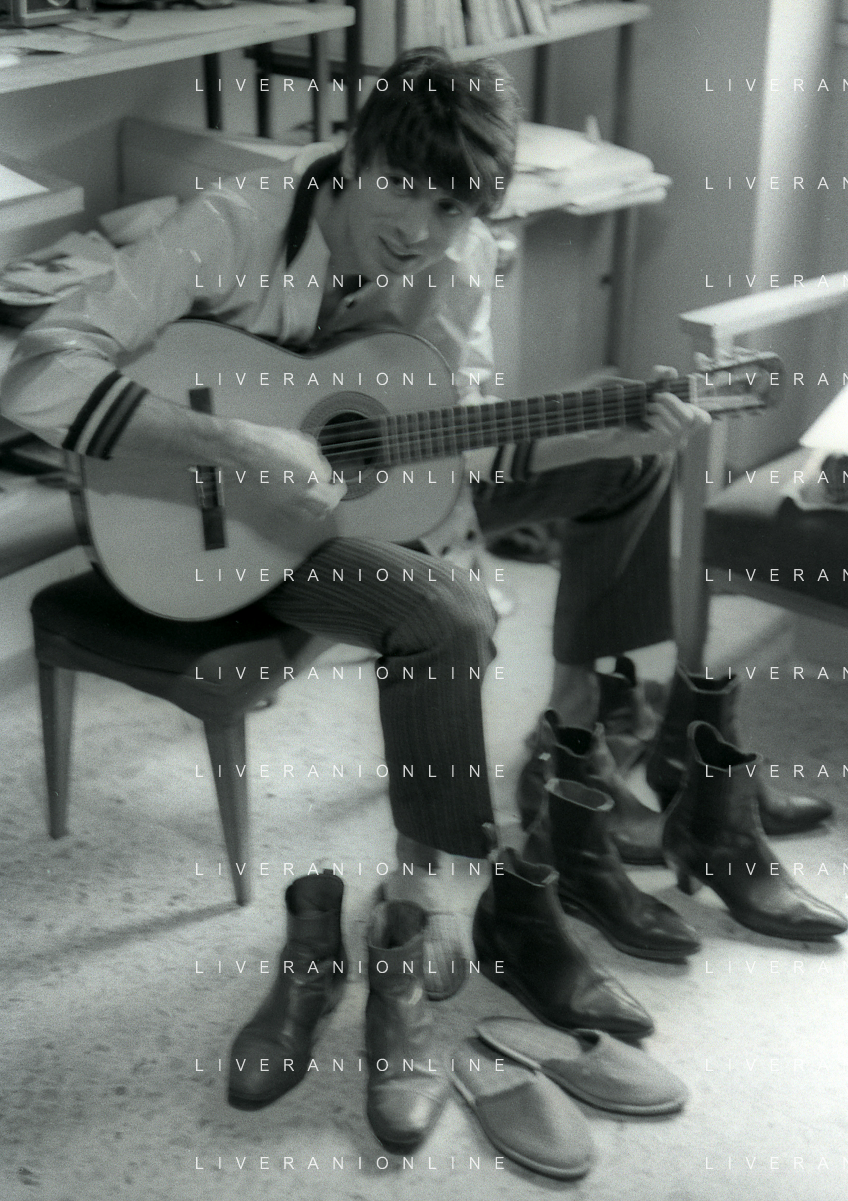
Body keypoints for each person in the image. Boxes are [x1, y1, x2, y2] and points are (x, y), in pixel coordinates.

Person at [1, 49, 709, 1096]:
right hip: (227, 528)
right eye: (402, 187)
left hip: (378, 490)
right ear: (353, 154)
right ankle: (422, 903)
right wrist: (241, 447)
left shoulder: (461, 259)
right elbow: (33, 373)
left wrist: (611, 425)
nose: (419, 228)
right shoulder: (233, 224)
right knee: (447, 612)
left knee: (629, 464)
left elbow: (467, 445)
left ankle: (571, 755)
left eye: (450, 207)